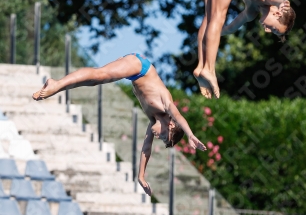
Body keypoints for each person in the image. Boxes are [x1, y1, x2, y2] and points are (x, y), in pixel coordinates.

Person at [32, 53, 206, 195]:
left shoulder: (153, 119)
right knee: (98, 76)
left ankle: (57, 86)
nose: (158, 136)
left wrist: (141, 176)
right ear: (171, 126)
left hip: (134, 73)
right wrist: (190, 135)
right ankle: (57, 84)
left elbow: (146, 149)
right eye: (163, 137)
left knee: (95, 80)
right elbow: (180, 116)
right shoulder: (166, 104)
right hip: (140, 67)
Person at [193, 0, 296, 100]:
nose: (267, 30)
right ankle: (209, 70)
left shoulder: (252, 11)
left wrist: (215, 34)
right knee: (217, 17)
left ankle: (200, 67)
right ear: (278, 14)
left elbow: (230, 28)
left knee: (210, 19)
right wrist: (281, 3)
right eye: (273, 29)